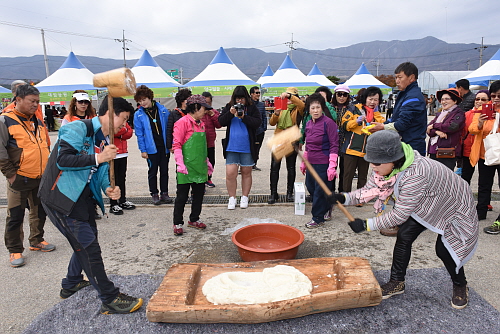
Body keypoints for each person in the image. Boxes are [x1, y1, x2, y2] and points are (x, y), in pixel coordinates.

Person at [336, 130, 478, 309]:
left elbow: (400, 215)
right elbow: (370, 189)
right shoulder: (386, 165)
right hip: (426, 200)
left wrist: (366, 225)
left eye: (377, 163)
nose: (373, 166)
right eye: (371, 161)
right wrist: (344, 198)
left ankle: (460, 285)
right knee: (404, 235)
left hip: (454, 204)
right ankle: (397, 282)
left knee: (444, 249)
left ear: (393, 159)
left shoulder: (415, 174)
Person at [39, 95, 142, 314]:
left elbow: (102, 172)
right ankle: (109, 297)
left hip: (83, 198)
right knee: (89, 248)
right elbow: (63, 160)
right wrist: (98, 158)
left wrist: (107, 189)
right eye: (123, 119)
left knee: (86, 241)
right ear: (109, 114)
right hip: (61, 198)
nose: (125, 125)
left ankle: (71, 283)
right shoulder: (78, 128)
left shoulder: (104, 140)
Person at [0, 84, 54, 268]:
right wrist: (10, 174)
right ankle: (15, 250)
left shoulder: (36, 120)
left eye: (38, 102)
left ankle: (37, 240)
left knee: (40, 211)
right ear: (18, 99)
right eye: (32, 101)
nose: (36, 105)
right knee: (15, 215)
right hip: (19, 177)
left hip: (39, 176)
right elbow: (0, 151)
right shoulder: (5, 120)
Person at [172, 95, 214, 236]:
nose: (205, 111)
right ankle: (177, 222)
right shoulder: (182, 123)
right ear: (195, 107)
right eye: (204, 108)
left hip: (199, 166)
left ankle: (194, 219)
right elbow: (176, 145)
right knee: (182, 196)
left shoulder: (201, 123)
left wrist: (207, 161)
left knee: (198, 195)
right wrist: (180, 164)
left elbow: (202, 147)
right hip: (186, 167)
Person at [369, 62, 427, 156]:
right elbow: (395, 118)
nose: (397, 81)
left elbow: (402, 123)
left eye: (400, 77)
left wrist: (383, 127)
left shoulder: (413, 97)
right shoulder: (404, 94)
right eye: (396, 77)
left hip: (412, 147)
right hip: (403, 144)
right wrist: (382, 125)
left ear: (411, 78)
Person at [218, 86, 261, 210]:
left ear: (246, 98)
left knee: (246, 173)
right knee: (230, 174)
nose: (240, 101)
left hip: (247, 146)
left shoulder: (252, 107)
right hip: (232, 146)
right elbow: (220, 122)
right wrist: (230, 114)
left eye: (242, 98)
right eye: (237, 98)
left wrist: (244, 117)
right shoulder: (229, 107)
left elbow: (257, 123)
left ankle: (244, 197)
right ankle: (232, 198)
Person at [300, 93, 339, 228]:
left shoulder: (329, 123)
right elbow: (308, 145)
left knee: (319, 191)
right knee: (311, 187)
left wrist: (332, 166)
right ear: (308, 110)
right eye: (312, 108)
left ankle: (317, 218)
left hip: (324, 162)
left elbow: (334, 145)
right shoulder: (309, 124)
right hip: (311, 162)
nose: (315, 110)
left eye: (318, 107)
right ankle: (328, 206)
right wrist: (303, 162)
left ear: (322, 108)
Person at [341, 87, 385, 194]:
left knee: (363, 176)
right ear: (365, 98)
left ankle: (360, 197)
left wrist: (375, 114)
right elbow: (344, 124)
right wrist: (356, 121)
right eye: (370, 99)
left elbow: (382, 127)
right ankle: (346, 197)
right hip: (351, 149)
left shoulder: (376, 114)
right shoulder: (354, 108)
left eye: (376, 99)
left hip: (366, 151)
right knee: (348, 175)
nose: (372, 102)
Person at [134, 85, 172, 205]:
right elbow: (139, 135)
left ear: (150, 98)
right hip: (151, 148)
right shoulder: (138, 114)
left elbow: (169, 128)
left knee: (164, 170)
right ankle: (154, 194)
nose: (142, 103)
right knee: (153, 171)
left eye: (144, 99)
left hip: (164, 146)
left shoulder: (163, 110)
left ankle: (164, 193)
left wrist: (170, 144)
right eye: (139, 101)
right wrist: (143, 150)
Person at [469, 80, 500, 223]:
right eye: (493, 96)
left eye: (499, 96)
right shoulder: (483, 110)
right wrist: (481, 122)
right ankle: (480, 211)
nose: (496, 99)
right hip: (484, 154)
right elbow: (472, 129)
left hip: (498, 153)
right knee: (484, 184)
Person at [268, 87, 305, 204]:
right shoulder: (281, 108)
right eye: (286, 96)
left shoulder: (298, 109)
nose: (287, 99)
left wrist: (290, 96)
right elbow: (272, 123)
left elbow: (302, 105)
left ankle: (290, 193)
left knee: (291, 167)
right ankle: (273, 193)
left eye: (290, 96)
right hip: (278, 138)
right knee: (274, 167)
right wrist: (276, 113)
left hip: (291, 139)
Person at [426, 88, 465, 170]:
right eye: (442, 99)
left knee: (445, 178)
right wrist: (437, 132)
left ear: (455, 101)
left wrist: (434, 126)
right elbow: (428, 130)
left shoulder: (459, 114)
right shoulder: (440, 114)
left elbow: (451, 127)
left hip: (447, 151)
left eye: (447, 99)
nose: (443, 102)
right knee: (434, 177)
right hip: (434, 150)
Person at [461, 90, 491, 184]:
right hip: (468, 149)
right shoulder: (467, 114)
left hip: (485, 150)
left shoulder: (492, 115)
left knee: (484, 180)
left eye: (483, 99)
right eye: (477, 99)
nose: (479, 101)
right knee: (465, 177)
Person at [109, 121, 136, 215]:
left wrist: (122, 132)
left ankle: (122, 200)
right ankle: (113, 203)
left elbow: (129, 132)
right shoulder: (110, 118)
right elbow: (112, 132)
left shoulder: (123, 119)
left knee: (122, 178)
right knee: (113, 178)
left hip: (123, 153)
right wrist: (123, 131)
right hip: (113, 153)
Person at [331, 84, 353, 194]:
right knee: (332, 167)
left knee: (345, 169)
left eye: (345, 95)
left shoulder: (352, 108)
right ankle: (331, 190)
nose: (341, 97)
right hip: (332, 141)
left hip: (346, 141)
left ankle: (342, 191)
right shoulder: (329, 108)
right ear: (335, 95)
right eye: (339, 94)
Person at [201, 92, 221, 188]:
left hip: (210, 142)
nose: (207, 105)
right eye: (205, 103)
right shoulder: (198, 112)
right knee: (201, 161)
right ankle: (201, 180)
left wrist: (213, 115)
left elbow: (219, 125)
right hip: (200, 143)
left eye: (209, 103)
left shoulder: (213, 112)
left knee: (211, 161)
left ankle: (208, 178)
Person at [250, 86, 267, 171]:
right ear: (251, 94)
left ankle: (254, 163)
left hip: (260, 130)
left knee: (258, 147)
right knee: (250, 147)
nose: (258, 94)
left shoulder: (261, 104)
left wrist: (264, 127)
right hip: (251, 130)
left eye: (259, 93)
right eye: (256, 93)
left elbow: (264, 116)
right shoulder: (249, 105)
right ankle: (248, 163)